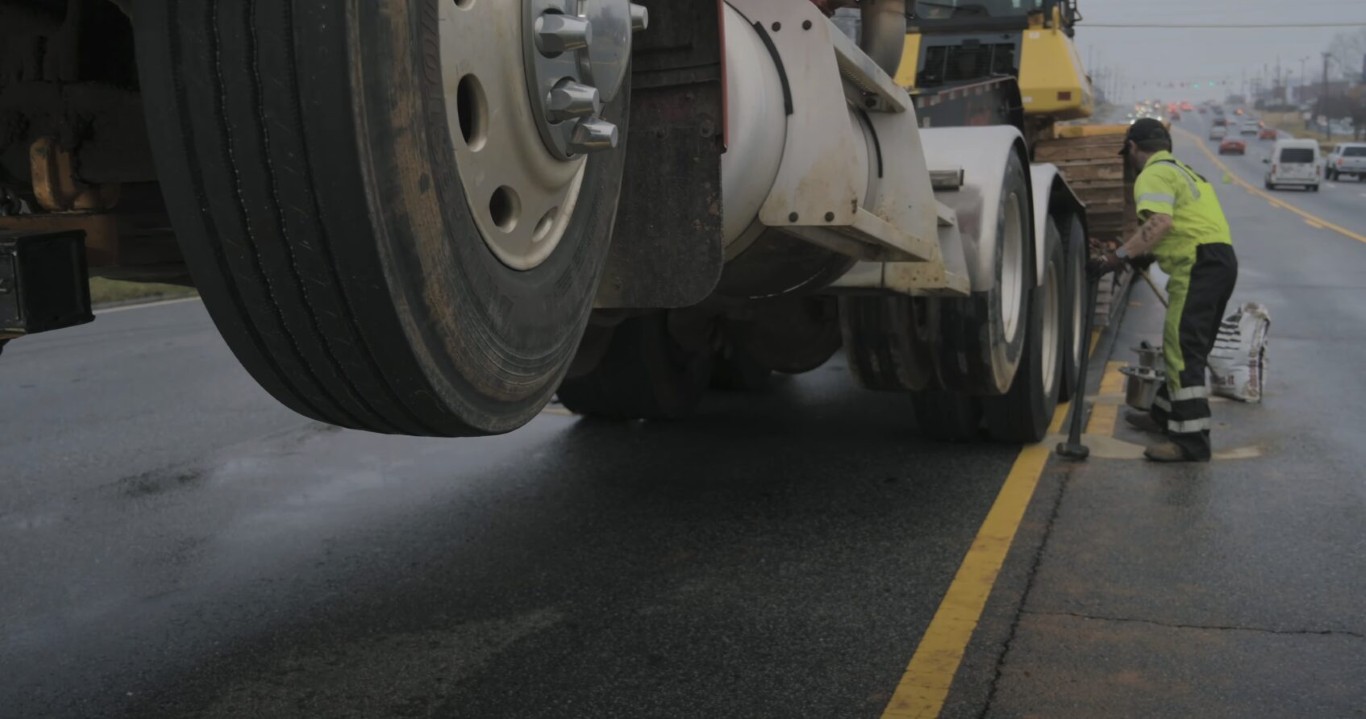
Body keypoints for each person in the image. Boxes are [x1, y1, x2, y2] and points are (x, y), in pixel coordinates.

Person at [1089, 118, 1239, 462]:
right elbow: (1184, 227)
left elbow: (1160, 223)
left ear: (1131, 148)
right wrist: (1147, 254)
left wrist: (1119, 256)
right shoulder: (1185, 171)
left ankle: (1191, 442)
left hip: (1198, 267)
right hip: (1218, 261)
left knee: (1183, 352)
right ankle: (1162, 415)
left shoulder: (1152, 175)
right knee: (1187, 347)